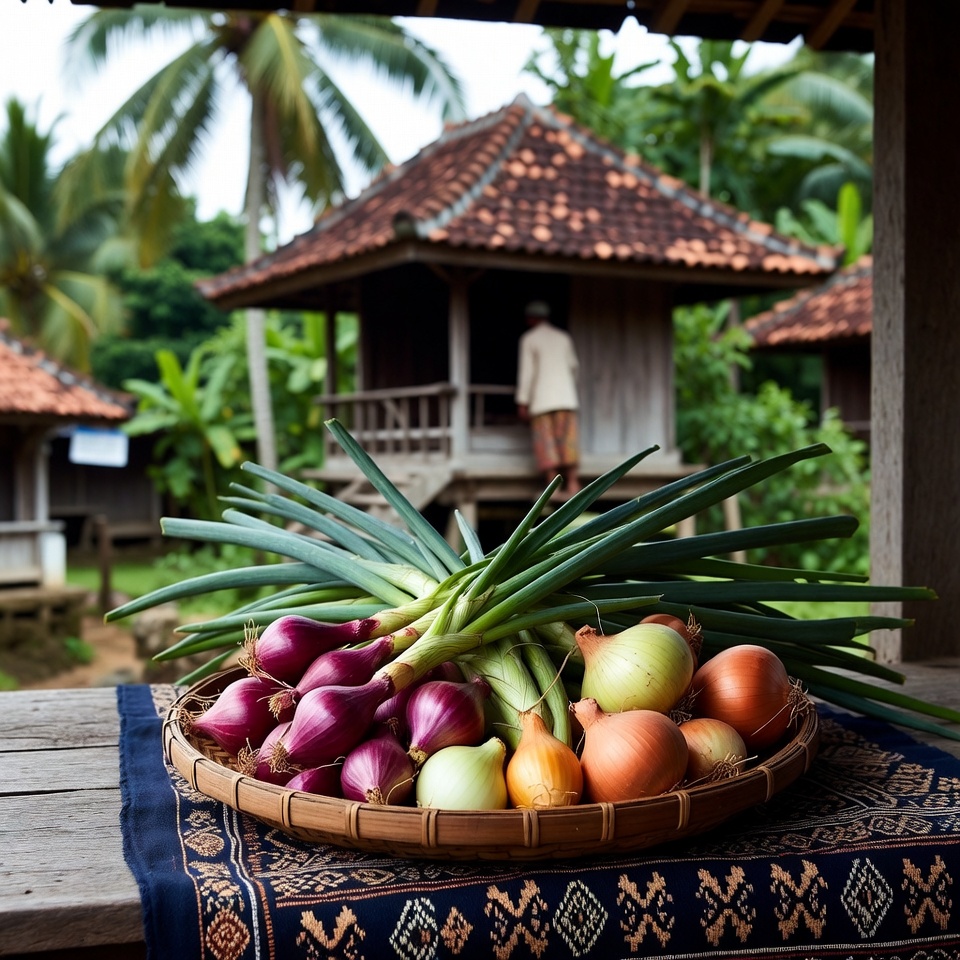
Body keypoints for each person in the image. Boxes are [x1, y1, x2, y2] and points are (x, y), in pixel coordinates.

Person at [515, 300, 581, 500]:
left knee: (546, 443)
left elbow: (527, 373)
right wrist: (567, 387)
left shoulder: (529, 339)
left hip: (542, 399)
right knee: (567, 440)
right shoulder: (563, 337)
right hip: (565, 397)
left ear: (531, 318)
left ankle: (552, 487)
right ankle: (573, 484)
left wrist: (523, 400)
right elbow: (573, 366)